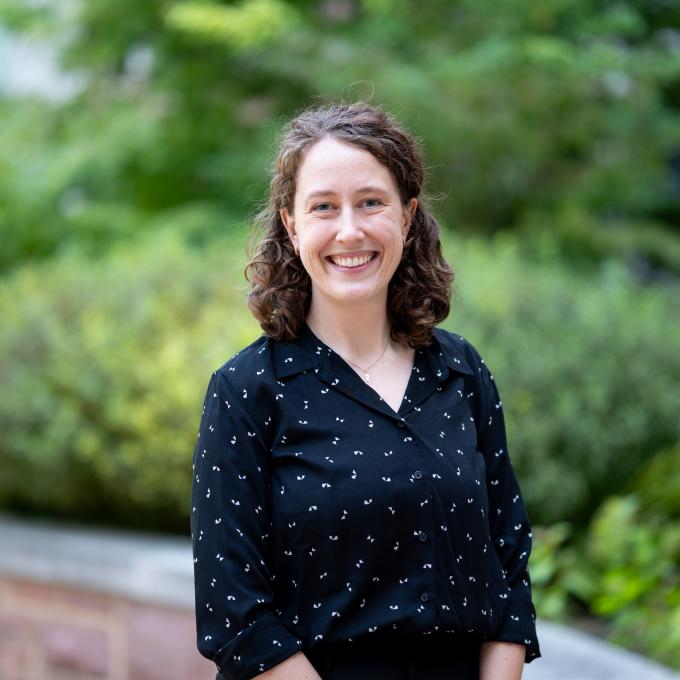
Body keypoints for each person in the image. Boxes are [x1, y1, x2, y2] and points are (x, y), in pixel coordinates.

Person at [190, 102, 541, 680]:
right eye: (323, 207)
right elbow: (235, 614)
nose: (349, 230)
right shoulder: (248, 391)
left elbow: (509, 567)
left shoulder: (461, 371)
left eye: (371, 202)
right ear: (291, 223)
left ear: (407, 216)